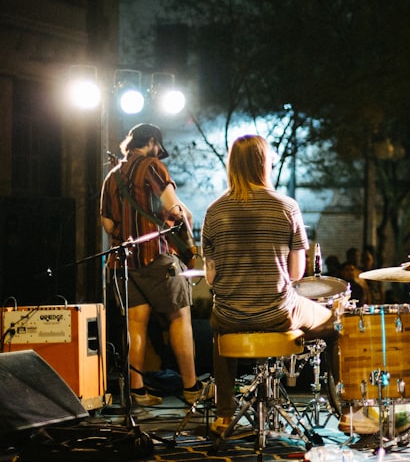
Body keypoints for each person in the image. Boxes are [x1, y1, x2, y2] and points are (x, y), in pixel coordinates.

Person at [202, 135, 375, 436]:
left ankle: (223, 414)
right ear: (263, 164)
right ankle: (350, 413)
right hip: (278, 314)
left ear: (232, 165)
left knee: (223, 320)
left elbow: (211, 277)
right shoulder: (286, 207)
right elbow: (296, 274)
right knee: (341, 323)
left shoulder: (214, 211)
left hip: (229, 317)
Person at [100, 123, 204, 408]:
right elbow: (173, 208)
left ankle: (137, 391)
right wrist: (185, 216)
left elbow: (107, 223)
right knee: (179, 318)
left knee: (135, 324)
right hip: (157, 256)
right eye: (158, 146)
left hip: (123, 262)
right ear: (152, 142)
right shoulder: (153, 166)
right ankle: (192, 388)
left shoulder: (111, 176)